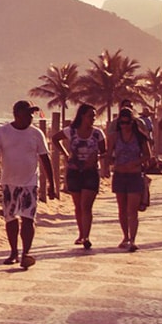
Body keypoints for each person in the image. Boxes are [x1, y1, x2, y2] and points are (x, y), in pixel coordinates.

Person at [0, 100, 57, 269]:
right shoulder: (3, 132)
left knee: (28, 218)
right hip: (9, 182)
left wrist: (52, 184)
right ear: (17, 114)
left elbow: (45, 158)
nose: (31, 117)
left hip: (30, 182)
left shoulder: (36, 133)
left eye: (32, 113)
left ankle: (26, 253)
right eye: (27, 113)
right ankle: (14, 251)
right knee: (10, 218)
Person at [52, 103, 107, 250]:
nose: (93, 119)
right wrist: (65, 154)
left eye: (94, 116)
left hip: (91, 171)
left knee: (86, 205)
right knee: (78, 205)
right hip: (74, 171)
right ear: (82, 116)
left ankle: (86, 236)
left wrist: (96, 157)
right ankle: (81, 234)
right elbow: (55, 138)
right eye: (90, 116)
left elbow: (105, 152)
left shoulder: (98, 134)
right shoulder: (71, 131)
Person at [105, 107, 151, 252]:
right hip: (119, 174)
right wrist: (106, 167)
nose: (124, 126)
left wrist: (136, 163)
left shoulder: (140, 137)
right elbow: (109, 154)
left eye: (127, 123)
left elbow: (147, 155)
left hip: (134, 175)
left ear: (132, 122)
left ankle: (133, 239)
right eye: (122, 123)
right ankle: (125, 236)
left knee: (132, 210)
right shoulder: (114, 137)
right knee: (122, 209)